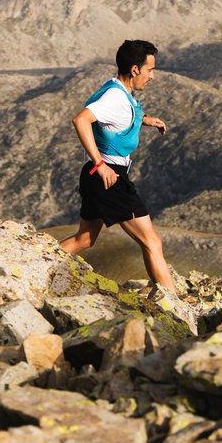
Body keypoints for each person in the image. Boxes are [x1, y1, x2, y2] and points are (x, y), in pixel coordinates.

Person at [60, 39, 175, 293]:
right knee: (152, 241)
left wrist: (145, 120)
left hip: (95, 175)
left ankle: (36, 259)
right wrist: (101, 164)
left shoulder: (117, 89)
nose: (152, 77)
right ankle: (174, 304)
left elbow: (115, 118)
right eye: (150, 70)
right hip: (109, 177)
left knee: (85, 239)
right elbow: (81, 120)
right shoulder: (115, 98)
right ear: (135, 70)